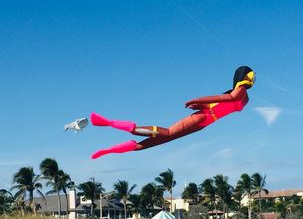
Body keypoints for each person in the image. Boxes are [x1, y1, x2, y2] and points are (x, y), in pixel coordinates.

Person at [90, 66, 256, 159]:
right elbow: (226, 100)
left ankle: (116, 145)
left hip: (204, 120)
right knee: (167, 134)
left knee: (164, 138)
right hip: (204, 119)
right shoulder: (242, 94)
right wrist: (200, 103)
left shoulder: (241, 93)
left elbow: (225, 100)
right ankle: (116, 126)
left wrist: (200, 101)